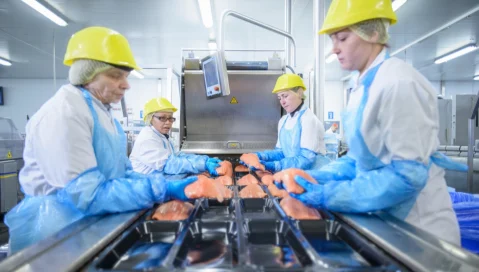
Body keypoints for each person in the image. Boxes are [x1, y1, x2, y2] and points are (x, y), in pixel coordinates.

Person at [286, 0, 467, 245]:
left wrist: (329, 195)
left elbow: (407, 176)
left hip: (420, 231)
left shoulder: (398, 83)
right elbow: (359, 159)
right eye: (333, 40)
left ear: (372, 33)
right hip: (386, 224)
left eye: (342, 38)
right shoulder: (361, 86)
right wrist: (317, 178)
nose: (334, 49)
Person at [5, 26, 198, 253]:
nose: (126, 84)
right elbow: (87, 195)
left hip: (89, 225)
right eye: (116, 76)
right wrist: (159, 189)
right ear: (88, 73)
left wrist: (162, 187)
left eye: (125, 76)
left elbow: (122, 172)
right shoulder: (64, 114)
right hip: (52, 235)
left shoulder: (103, 114)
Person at [241, 74, 329, 173]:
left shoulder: (308, 120)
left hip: (315, 178)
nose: (282, 102)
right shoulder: (283, 121)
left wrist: (274, 165)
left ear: (299, 93)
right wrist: (260, 156)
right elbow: (281, 152)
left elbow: (306, 159)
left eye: (285, 96)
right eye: (279, 98)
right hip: (294, 176)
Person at [129, 97, 221, 176]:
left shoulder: (163, 136)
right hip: (145, 187)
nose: (168, 122)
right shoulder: (147, 139)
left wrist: (203, 159)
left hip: (158, 183)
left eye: (170, 118)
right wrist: (202, 164)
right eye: (162, 118)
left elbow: (178, 155)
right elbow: (168, 164)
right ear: (150, 119)